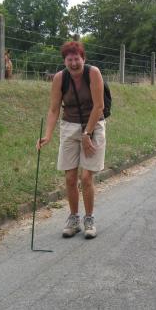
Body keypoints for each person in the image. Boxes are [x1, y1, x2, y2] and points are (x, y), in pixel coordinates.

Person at [36, 41, 106, 239]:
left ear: (83, 59)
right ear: (64, 61)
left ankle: (89, 218)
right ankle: (74, 218)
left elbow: (99, 106)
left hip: (94, 125)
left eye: (77, 59)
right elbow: (53, 109)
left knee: (86, 178)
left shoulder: (93, 73)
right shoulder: (60, 78)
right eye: (70, 59)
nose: (74, 63)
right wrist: (48, 135)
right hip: (69, 127)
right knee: (69, 177)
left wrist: (87, 134)